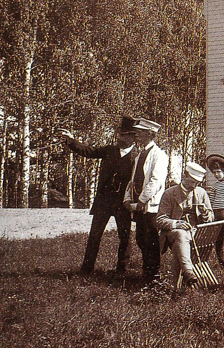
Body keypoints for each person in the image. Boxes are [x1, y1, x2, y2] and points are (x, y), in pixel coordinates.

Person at [60, 115, 139, 276]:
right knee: (94, 235)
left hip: (123, 203)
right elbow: (89, 151)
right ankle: (86, 269)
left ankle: (122, 270)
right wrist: (71, 141)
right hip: (104, 201)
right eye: (119, 134)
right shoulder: (109, 150)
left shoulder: (138, 157)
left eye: (124, 135)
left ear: (132, 137)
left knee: (125, 237)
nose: (119, 138)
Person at [123, 117, 170, 282]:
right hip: (138, 205)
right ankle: (147, 271)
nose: (136, 135)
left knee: (151, 240)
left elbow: (156, 182)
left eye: (140, 132)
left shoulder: (159, 155)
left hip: (150, 206)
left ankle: (153, 274)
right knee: (141, 239)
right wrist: (127, 199)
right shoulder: (140, 155)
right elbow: (133, 180)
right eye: (136, 132)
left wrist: (142, 201)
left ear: (149, 134)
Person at [156, 160, 214, 288]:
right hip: (174, 233)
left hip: (197, 233)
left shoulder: (201, 193)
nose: (195, 185)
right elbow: (160, 220)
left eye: (198, 183)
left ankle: (176, 286)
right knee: (181, 235)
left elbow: (211, 217)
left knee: (179, 245)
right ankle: (188, 272)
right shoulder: (169, 193)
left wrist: (205, 214)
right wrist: (176, 223)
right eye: (193, 181)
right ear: (184, 176)